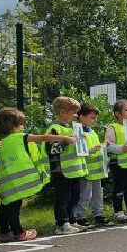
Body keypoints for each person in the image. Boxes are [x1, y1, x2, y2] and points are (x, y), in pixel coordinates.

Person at [0, 107, 70, 242]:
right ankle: (19, 232)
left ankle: (5, 232)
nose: (23, 127)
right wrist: (67, 138)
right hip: (19, 181)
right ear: (14, 124)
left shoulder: (1, 142)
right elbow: (45, 137)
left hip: (5, 181)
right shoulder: (22, 137)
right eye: (21, 123)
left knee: (6, 204)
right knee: (15, 207)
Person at [46, 96, 89, 235]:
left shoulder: (72, 128)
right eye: (74, 112)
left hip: (74, 171)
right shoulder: (54, 129)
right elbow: (51, 150)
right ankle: (61, 223)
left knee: (74, 197)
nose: (76, 115)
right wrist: (66, 142)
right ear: (63, 112)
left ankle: (71, 220)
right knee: (63, 198)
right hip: (61, 171)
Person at [72, 104, 108, 228]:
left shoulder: (92, 131)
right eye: (92, 118)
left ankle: (99, 214)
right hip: (86, 169)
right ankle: (80, 216)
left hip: (97, 169)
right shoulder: (78, 131)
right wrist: (94, 149)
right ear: (81, 117)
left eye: (95, 118)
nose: (95, 120)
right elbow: (80, 150)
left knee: (98, 193)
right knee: (86, 194)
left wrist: (103, 146)